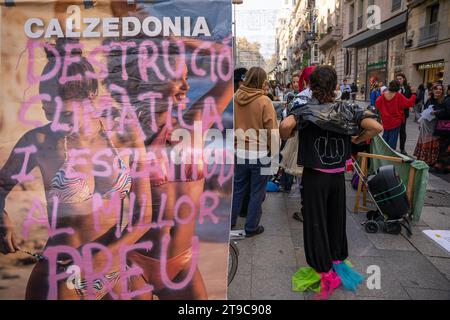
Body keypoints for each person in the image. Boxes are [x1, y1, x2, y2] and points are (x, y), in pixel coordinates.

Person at [0, 40, 152, 300]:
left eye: (65, 114)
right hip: (61, 272)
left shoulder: (126, 135)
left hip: (114, 269)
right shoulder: (38, 141)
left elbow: (143, 216)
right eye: (49, 113)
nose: (56, 122)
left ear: (91, 94)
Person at [104, 35, 233, 299]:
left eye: (187, 77)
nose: (186, 85)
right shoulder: (124, 136)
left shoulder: (195, 123)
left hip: (182, 265)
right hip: (135, 263)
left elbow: (228, 67)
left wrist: (176, 42)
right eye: (178, 77)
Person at [279, 65, 382, 299]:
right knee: (336, 219)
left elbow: (285, 127)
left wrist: (290, 134)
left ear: (310, 85)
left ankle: (321, 268)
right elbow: (376, 127)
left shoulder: (303, 107)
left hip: (315, 176)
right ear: (335, 86)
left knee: (315, 222)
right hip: (336, 176)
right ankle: (336, 260)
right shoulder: (348, 108)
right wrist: (357, 138)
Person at [231, 67, 278, 237]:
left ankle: (230, 221)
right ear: (261, 81)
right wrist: (275, 156)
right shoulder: (264, 101)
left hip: (239, 151)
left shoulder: (235, 98)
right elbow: (272, 130)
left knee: (237, 189)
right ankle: (251, 227)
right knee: (257, 192)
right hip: (261, 155)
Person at [375, 80, 416, 150]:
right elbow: (409, 103)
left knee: (385, 137)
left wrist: (384, 110)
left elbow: (377, 103)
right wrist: (414, 94)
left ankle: (383, 152)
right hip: (395, 121)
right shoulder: (398, 96)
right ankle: (390, 155)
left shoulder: (383, 95)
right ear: (398, 87)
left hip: (386, 120)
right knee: (392, 140)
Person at [414, 83, 444, 167]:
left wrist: (436, 112)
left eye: (440, 89)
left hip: (434, 125)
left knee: (432, 141)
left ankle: (430, 160)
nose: (438, 90)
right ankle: (422, 158)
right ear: (433, 90)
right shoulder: (429, 100)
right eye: (436, 89)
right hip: (425, 124)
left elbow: (444, 112)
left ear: (442, 91)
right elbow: (424, 111)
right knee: (423, 140)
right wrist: (420, 122)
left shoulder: (443, 101)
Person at [396, 73, 412, 155]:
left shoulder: (408, 89)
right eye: (397, 79)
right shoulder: (394, 88)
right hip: (394, 114)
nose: (398, 80)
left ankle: (402, 148)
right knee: (394, 131)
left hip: (404, 114)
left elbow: (411, 100)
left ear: (404, 79)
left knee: (402, 131)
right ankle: (392, 147)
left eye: (400, 78)